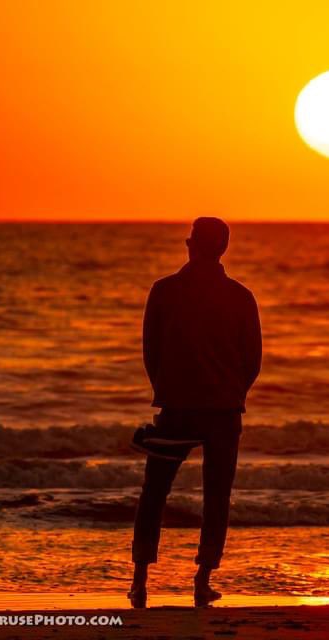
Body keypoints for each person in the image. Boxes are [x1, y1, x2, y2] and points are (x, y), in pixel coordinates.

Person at [128, 217, 262, 608]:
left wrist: (167, 388)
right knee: (217, 497)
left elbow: (150, 351)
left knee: (154, 491)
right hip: (223, 410)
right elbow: (252, 360)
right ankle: (202, 579)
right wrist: (233, 391)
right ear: (223, 248)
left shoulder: (165, 291)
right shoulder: (240, 296)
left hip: (177, 408)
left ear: (190, 244)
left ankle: (140, 580)